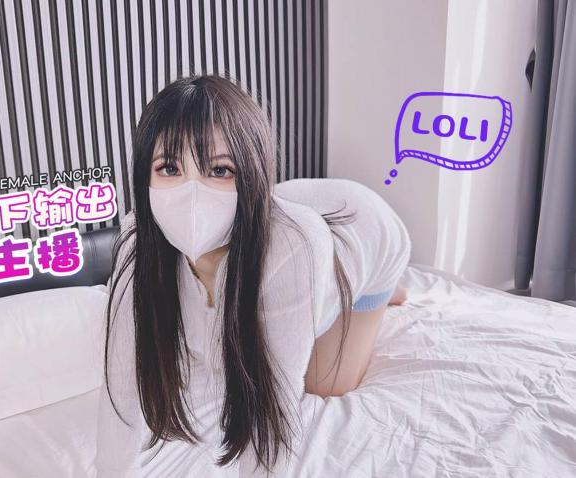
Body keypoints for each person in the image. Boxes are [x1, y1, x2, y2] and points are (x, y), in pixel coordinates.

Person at [95, 74, 411, 477]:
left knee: (326, 385)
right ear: (145, 175)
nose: (192, 195)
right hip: (292, 211)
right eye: (170, 167)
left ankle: (389, 290)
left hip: (363, 229)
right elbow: (121, 385)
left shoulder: (293, 246)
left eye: (219, 170)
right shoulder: (136, 241)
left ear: (249, 171)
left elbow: (273, 413)